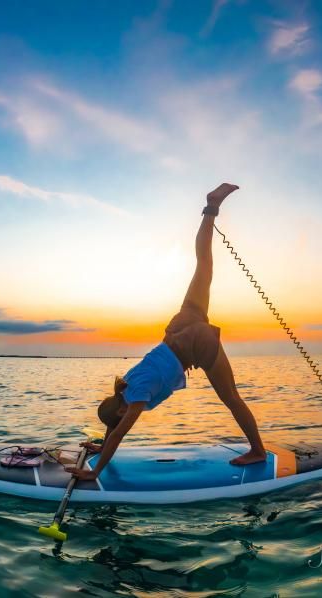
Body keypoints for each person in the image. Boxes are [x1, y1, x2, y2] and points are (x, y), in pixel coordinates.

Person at [65, 183, 266, 481]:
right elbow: (114, 427)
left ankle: (258, 450)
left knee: (232, 397)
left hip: (195, 343)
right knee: (204, 265)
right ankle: (211, 209)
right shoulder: (126, 386)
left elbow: (119, 433)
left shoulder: (136, 399)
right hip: (179, 326)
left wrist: (95, 472)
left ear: (120, 412)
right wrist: (101, 444)